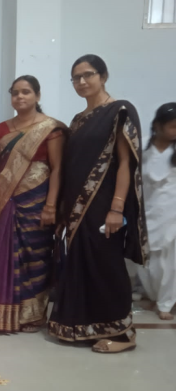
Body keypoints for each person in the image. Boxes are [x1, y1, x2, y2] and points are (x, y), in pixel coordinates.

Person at [48, 55, 147, 353]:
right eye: (75, 78)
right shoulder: (78, 120)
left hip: (104, 206)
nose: (81, 82)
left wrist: (117, 208)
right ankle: (84, 326)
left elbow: (126, 163)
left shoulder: (119, 111)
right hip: (76, 209)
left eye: (88, 75)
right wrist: (63, 211)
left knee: (106, 266)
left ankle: (123, 335)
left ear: (103, 76)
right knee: (81, 266)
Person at [0, 76, 67, 333]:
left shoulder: (51, 129)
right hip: (5, 204)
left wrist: (51, 206)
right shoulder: (1, 130)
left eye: (26, 92)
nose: (19, 97)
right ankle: (1, 314)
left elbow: (57, 169)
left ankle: (33, 315)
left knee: (35, 258)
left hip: (37, 204)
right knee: (5, 255)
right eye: (15, 92)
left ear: (37, 96)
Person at [137, 103, 176, 320]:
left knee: (169, 261)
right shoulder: (142, 147)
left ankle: (166, 304)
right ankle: (152, 295)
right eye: (173, 126)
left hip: (172, 212)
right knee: (145, 259)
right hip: (146, 210)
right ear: (158, 126)